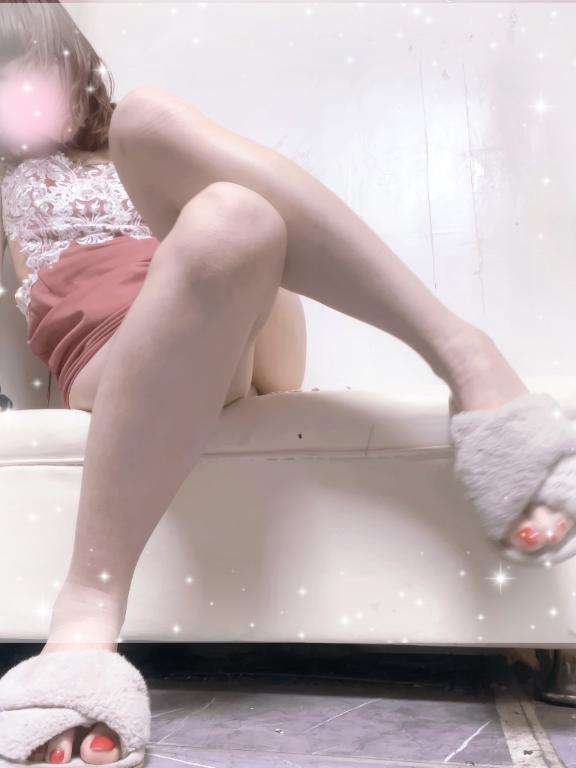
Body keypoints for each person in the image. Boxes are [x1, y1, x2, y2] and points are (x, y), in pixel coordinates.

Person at [0, 2, 574, 766]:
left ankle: (464, 354)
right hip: (120, 353)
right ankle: (86, 614)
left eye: (29, 68)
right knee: (229, 211)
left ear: (71, 66)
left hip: (236, 319)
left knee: (178, 150)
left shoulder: (131, 150)